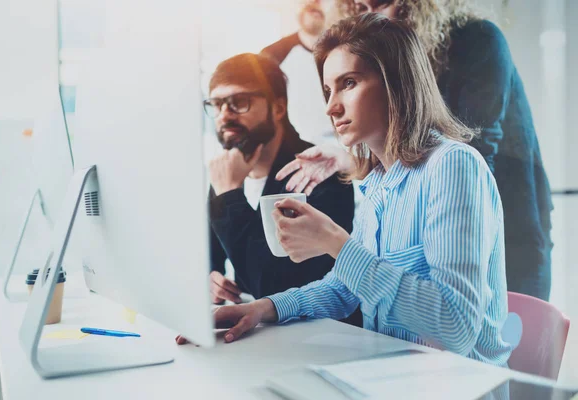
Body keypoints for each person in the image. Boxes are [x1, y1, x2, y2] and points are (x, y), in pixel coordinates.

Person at [179, 15, 512, 367]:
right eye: (327, 90)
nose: (330, 107)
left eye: (348, 83)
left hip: (458, 386)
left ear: (396, 82)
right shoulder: (378, 180)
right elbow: (345, 287)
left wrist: (336, 243)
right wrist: (265, 308)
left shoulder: (453, 166)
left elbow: (455, 328)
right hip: (391, 376)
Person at [281, 0, 554, 300]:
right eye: (360, 7)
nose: (372, 17)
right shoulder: (385, 181)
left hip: (509, 228)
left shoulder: (477, 40)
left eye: (383, 4)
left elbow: (473, 153)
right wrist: (352, 159)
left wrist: (337, 243)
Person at [203, 53, 356, 319]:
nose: (224, 115)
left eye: (239, 102)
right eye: (217, 105)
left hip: (316, 335)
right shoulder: (228, 170)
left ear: (278, 108)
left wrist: (229, 195)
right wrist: (209, 278)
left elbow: (273, 285)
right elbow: (209, 254)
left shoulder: (317, 172)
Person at [261, 1, 336, 145]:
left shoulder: (357, 51)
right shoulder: (270, 58)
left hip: (355, 158)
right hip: (297, 157)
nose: (312, 1)